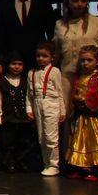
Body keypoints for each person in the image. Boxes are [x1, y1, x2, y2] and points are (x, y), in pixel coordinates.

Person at [64, 45, 98, 181]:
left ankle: (95, 170)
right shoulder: (79, 78)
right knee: (80, 142)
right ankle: (79, 168)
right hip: (81, 117)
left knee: (95, 143)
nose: (85, 63)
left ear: (97, 61)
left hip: (94, 118)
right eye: (83, 60)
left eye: (89, 60)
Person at [0, 0, 56, 75]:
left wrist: (52, 57)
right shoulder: (4, 6)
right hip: (12, 60)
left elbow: (51, 33)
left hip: (37, 59)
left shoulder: (43, 4)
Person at [54, 0, 98, 84]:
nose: (79, 4)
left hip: (91, 78)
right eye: (75, 0)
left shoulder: (97, 22)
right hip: (67, 77)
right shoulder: (59, 24)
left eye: (83, 0)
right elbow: (56, 53)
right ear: (68, 2)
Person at [30, 41, 68, 176]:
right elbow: (30, 93)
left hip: (51, 104)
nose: (41, 59)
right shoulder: (32, 72)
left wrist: (62, 110)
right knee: (42, 137)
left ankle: (54, 164)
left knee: (51, 136)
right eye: (38, 56)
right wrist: (29, 108)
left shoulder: (55, 71)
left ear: (52, 57)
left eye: (44, 56)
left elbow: (59, 91)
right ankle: (46, 163)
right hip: (38, 104)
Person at [0, 51, 34, 172]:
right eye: (14, 64)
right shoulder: (2, 82)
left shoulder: (25, 81)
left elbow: (28, 98)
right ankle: (8, 163)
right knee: (7, 142)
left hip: (22, 117)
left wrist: (29, 111)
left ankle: (20, 162)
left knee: (23, 141)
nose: (17, 67)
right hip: (8, 117)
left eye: (20, 64)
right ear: (8, 65)